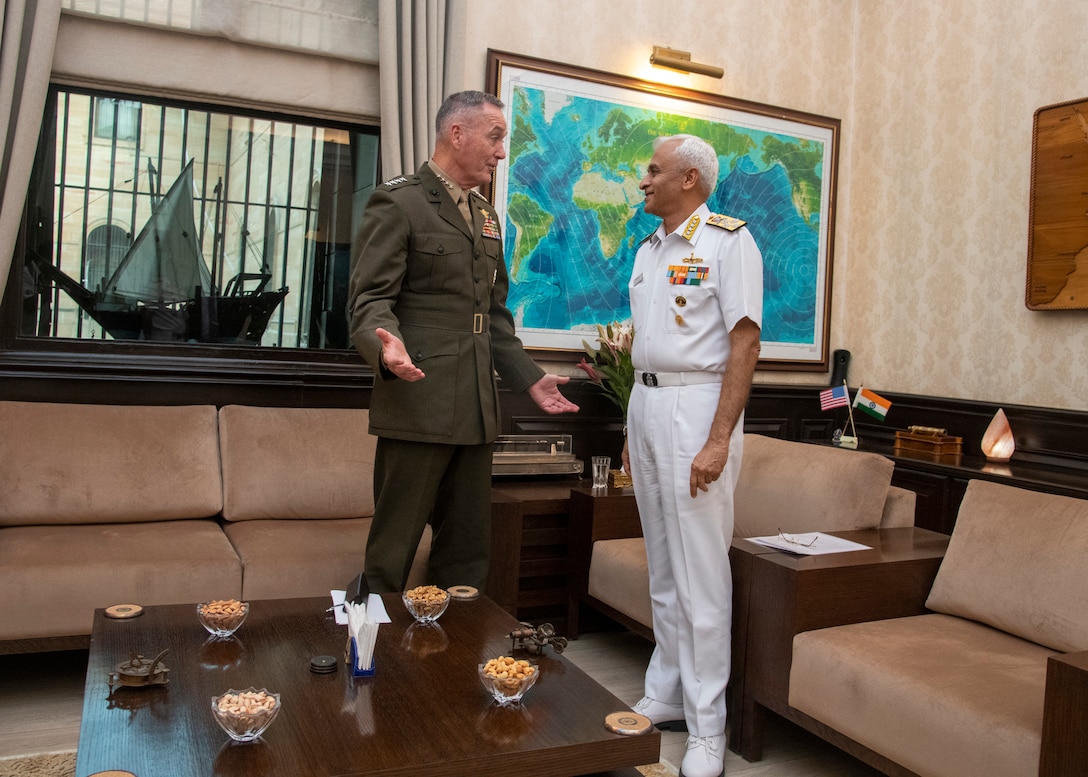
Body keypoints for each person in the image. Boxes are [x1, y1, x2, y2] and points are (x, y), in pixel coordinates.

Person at [347, 90, 579, 593]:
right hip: (419, 399)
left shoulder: (486, 217)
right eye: (494, 137)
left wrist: (531, 380)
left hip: (476, 406)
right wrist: (385, 349)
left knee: (467, 550)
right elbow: (369, 301)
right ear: (457, 133)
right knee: (393, 549)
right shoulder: (400, 200)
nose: (501, 152)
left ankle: (452, 657)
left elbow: (493, 316)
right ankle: (368, 659)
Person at [622, 134, 763, 777]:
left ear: (689, 179)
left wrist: (717, 440)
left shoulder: (729, 242)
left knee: (701, 573)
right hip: (647, 405)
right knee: (663, 566)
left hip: (698, 408)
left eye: (654, 170)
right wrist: (631, 424)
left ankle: (709, 728)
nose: (644, 179)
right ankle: (670, 690)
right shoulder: (651, 247)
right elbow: (645, 346)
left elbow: (744, 346)